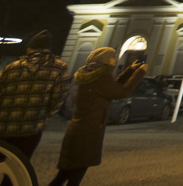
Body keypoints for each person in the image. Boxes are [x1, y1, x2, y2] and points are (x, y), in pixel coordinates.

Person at [49, 47, 147, 186]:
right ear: (105, 60)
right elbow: (121, 92)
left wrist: (130, 71)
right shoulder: (101, 78)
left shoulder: (91, 75)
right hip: (88, 132)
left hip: (78, 130)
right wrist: (140, 73)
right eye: (113, 57)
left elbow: (112, 87)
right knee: (73, 177)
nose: (115, 59)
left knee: (64, 175)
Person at [0, 30, 70, 163]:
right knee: (18, 170)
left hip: (3, 127)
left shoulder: (12, 66)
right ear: (48, 49)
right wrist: (43, 115)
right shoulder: (58, 67)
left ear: (29, 48)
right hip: (32, 128)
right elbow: (59, 97)